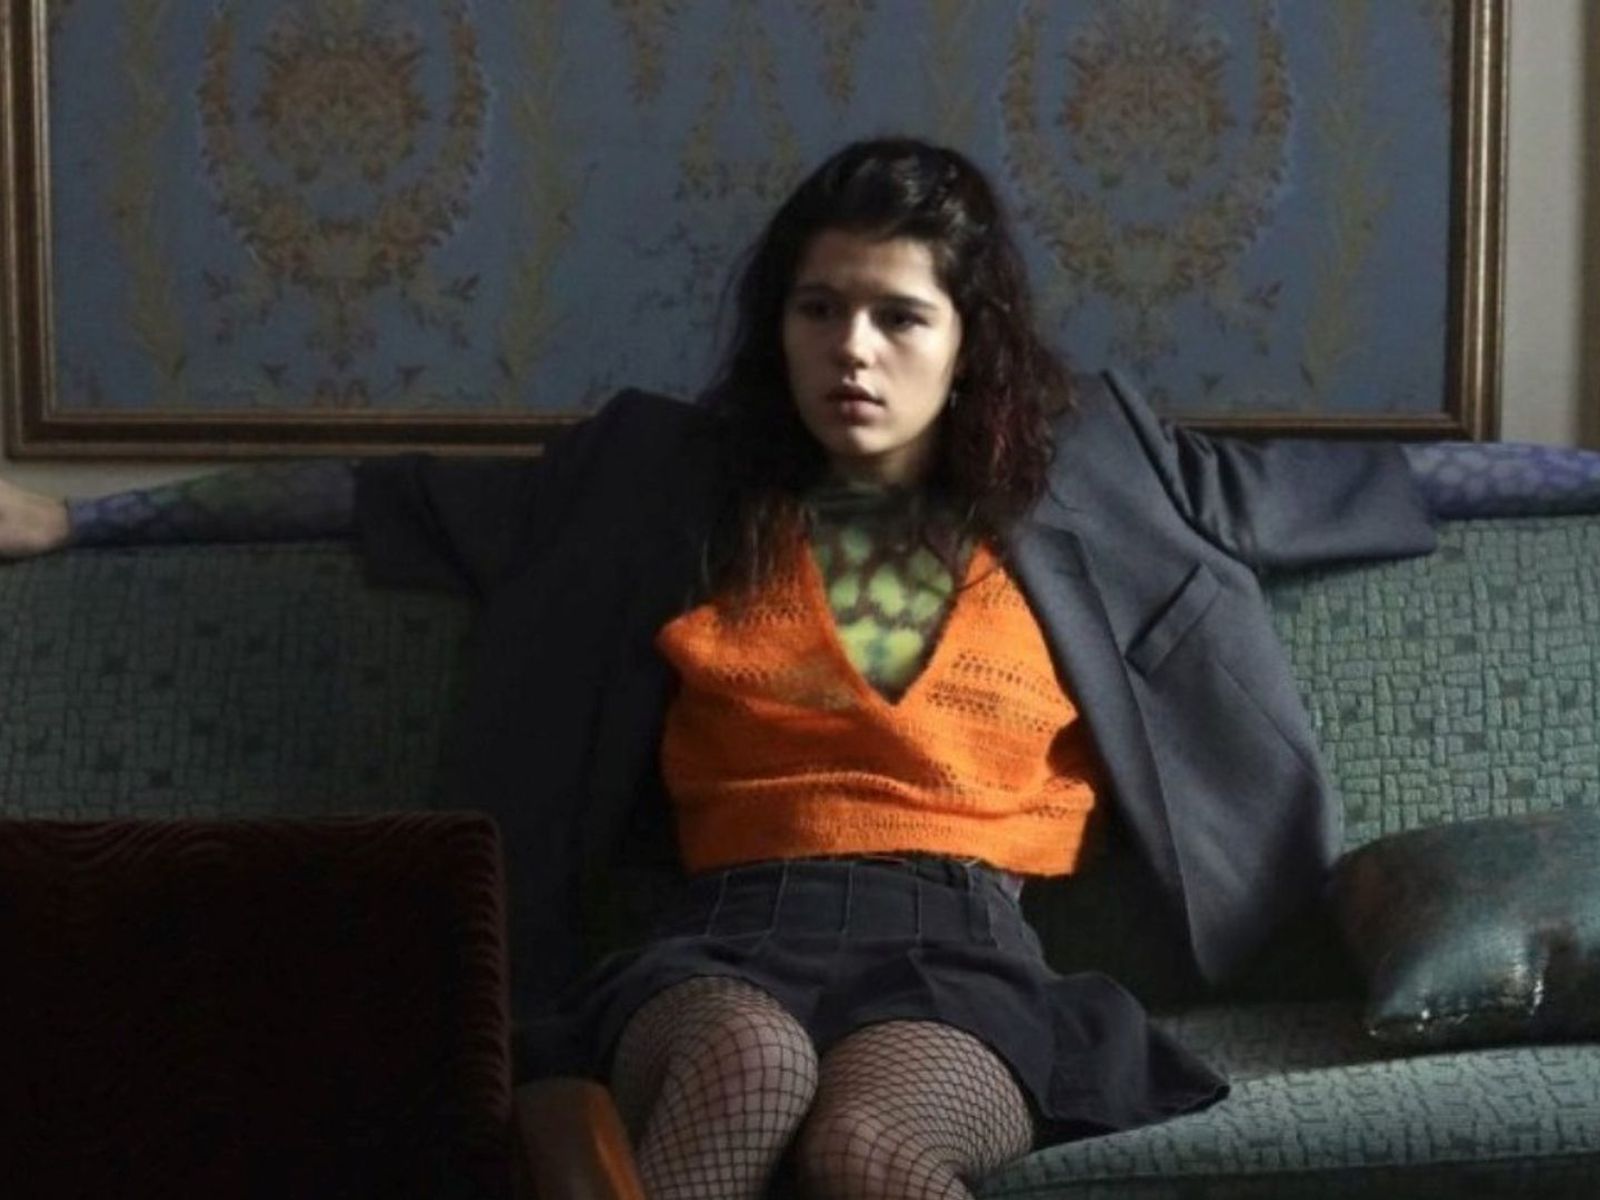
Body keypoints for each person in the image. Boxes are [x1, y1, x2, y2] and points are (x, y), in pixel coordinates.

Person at [5, 138, 1600, 1200]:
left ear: (969, 341)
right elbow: (385, 500)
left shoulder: (1098, 472)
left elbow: (1406, 482)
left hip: (967, 955)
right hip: (725, 943)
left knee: (869, 1150)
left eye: (899, 317)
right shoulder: (662, 480)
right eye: (819, 309)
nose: (853, 350)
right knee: (750, 1071)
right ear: (777, 329)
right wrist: (82, 517)